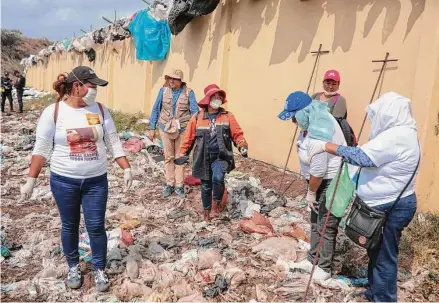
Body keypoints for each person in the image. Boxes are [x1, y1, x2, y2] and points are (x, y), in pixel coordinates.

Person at [20, 66, 133, 292]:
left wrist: (125, 167)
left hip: (96, 181)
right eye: (91, 86)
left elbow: (113, 142)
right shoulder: (54, 112)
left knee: (96, 226)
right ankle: (73, 265)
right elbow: (42, 148)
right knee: (70, 226)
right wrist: (31, 180)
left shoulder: (100, 110)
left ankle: (99, 268)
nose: (95, 91)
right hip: (64, 181)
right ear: (76, 86)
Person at [308, 92, 420, 302]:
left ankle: (384, 298)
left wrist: (326, 146)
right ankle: (375, 291)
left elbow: (363, 157)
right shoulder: (405, 133)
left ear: (390, 114)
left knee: (385, 256)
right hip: (393, 202)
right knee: (376, 251)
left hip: (390, 207)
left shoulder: (396, 136)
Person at [278, 91, 347, 281]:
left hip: (329, 180)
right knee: (316, 221)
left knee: (326, 224)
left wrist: (311, 191)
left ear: (303, 111)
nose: (293, 121)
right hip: (317, 182)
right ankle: (312, 259)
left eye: (293, 116)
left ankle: (324, 268)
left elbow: (319, 169)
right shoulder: (312, 119)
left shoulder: (321, 126)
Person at [176, 84, 248, 221]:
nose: (217, 99)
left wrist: (242, 145)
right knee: (205, 185)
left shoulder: (227, 116)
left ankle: (218, 201)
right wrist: (183, 153)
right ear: (207, 100)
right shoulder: (197, 118)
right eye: (214, 97)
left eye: (219, 97)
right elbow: (188, 137)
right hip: (202, 156)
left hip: (221, 156)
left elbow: (237, 134)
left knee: (218, 179)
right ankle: (207, 211)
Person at [148, 69, 198, 198]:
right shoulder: (163, 91)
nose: (171, 81)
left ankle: (179, 186)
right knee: (168, 157)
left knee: (180, 158)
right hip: (165, 127)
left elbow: (194, 112)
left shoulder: (189, 93)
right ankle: (170, 184)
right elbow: (156, 108)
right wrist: (152, 127)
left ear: (180, 81)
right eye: (170, 78)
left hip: (182, 130)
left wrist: (193, 130)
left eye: (174, 79)